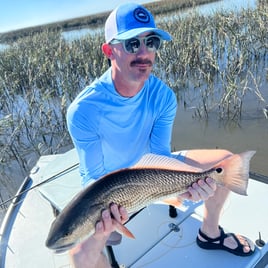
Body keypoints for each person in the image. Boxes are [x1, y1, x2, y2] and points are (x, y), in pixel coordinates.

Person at [67, 3, 255, 267]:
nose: (144, 53)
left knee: (224, 163)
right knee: (80, 256)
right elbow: (93, 176)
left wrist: (184, 187)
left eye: (151, 42)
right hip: (111, 192)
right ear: (109, 51)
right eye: (132, 44)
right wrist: (110, 216)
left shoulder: (163, 95)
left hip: (151, 173)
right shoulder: (83, 110)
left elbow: (159, 156)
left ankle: (210, 234)